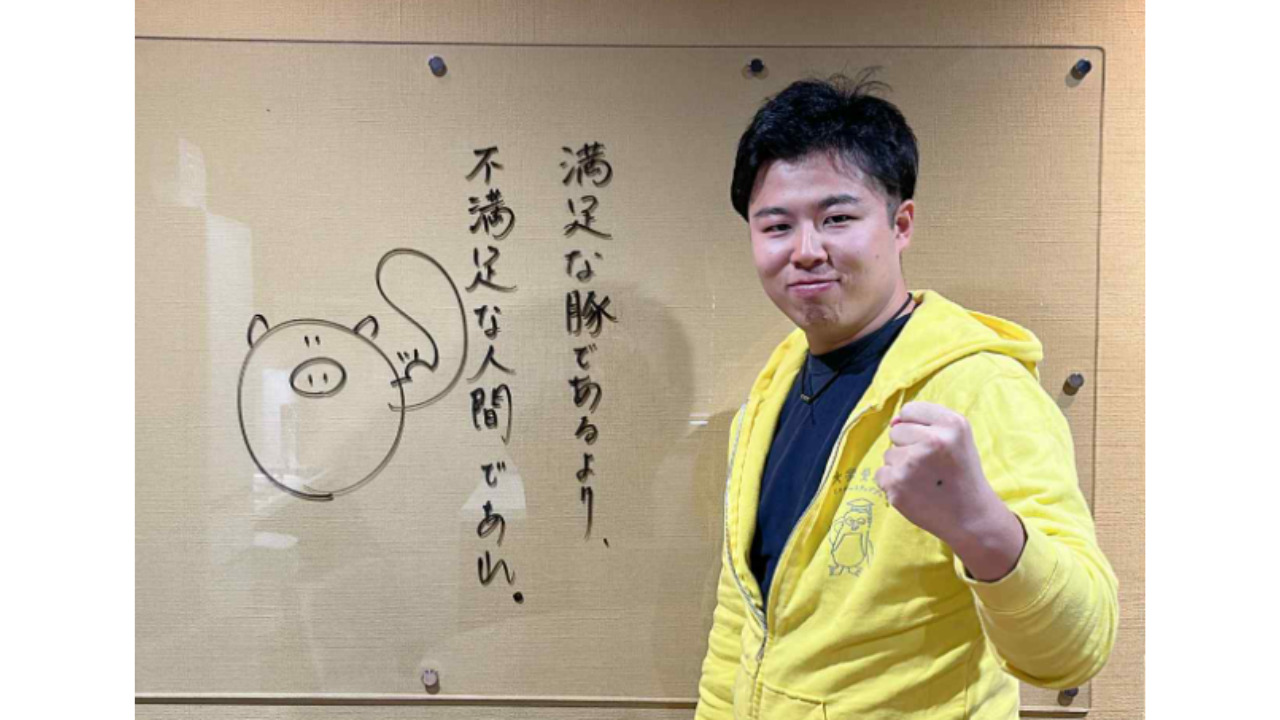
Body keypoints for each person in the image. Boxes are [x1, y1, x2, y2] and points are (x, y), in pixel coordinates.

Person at [694, 72, 1118, 720]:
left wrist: (981, 526)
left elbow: (1075, 650)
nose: (806, 251)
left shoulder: (981, 389)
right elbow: (739, 621)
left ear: (901, 224)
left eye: (837, 218)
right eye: (776, 226)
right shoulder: (772, 389)